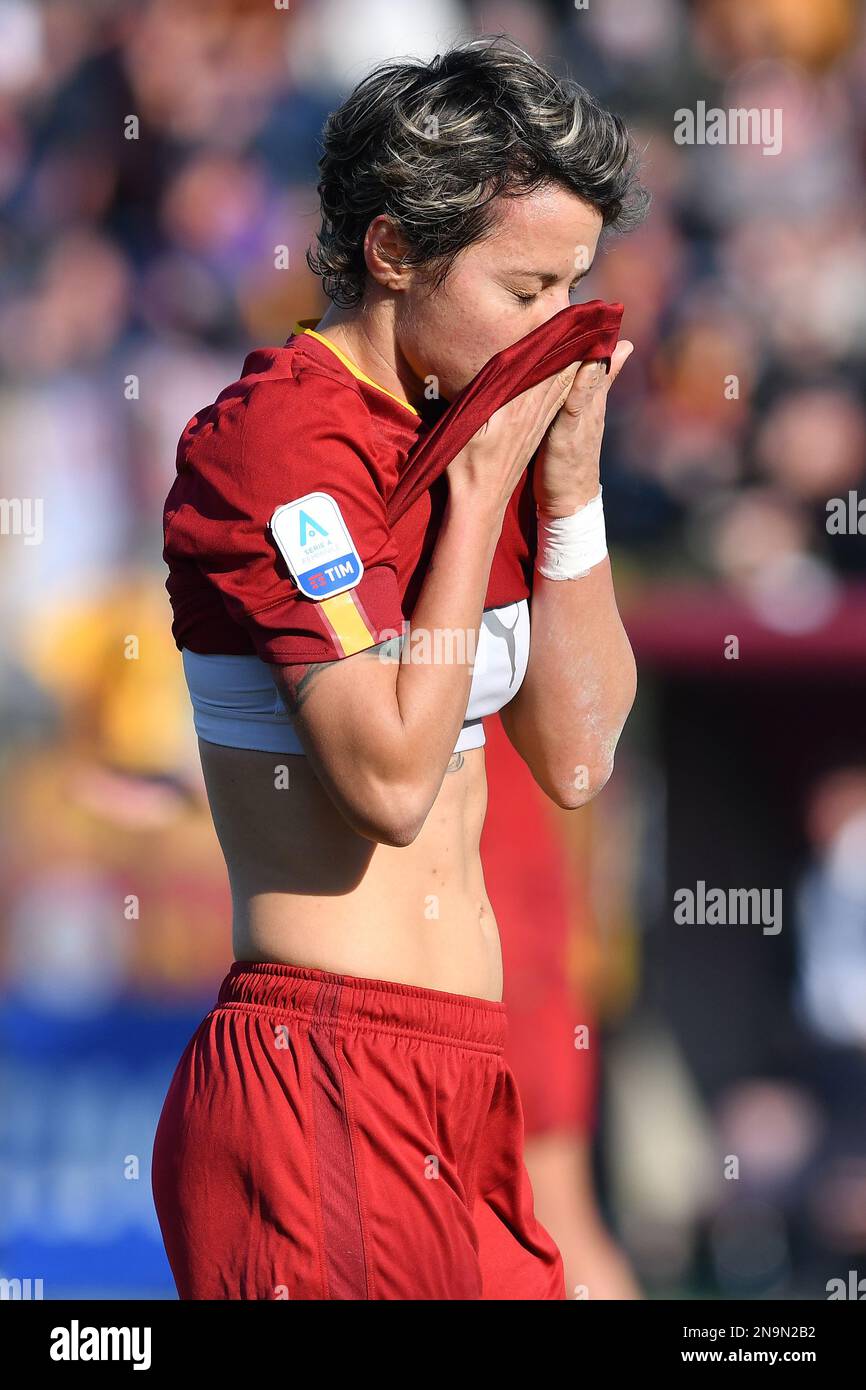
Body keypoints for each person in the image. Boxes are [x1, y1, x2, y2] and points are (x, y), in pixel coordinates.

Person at [152, 36, 643, 1300]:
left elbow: (578, 758)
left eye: (574, 290)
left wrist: (569, 487)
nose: (557, 331)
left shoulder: (466, 430)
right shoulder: (277, 440)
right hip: (320, 1068)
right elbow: (385, 778)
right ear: (391, 251)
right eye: (525, 289)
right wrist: (480, 496)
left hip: (466, 1074)